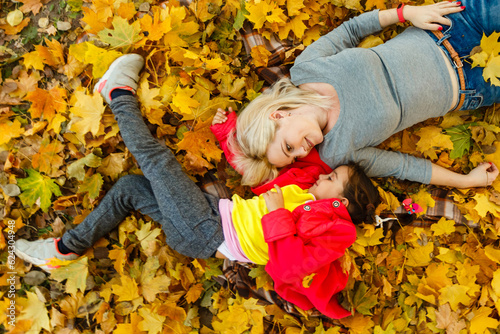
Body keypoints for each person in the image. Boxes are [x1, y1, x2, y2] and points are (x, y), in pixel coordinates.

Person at [15, 54, 382, 319]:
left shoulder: (333, 227)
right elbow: (258, 165)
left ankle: (118, 93)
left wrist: (276, 218)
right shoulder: (305, 187)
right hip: (208, 221)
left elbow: (287, 270)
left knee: (157, 161)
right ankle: (65, 250)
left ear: (343, 203)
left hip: (206, 231)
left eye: (332, 179)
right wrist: (227, 133)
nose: (323, 174)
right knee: (130, 187)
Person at [224, 0, 500, 188]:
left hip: (451, 25)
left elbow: (351, 30)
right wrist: (466, 181)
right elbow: (403, 167)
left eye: (288, 146)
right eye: (294, 157)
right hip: (475, 83)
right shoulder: (337, 153)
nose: (302, 151)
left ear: (279, 115)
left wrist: (407, 13)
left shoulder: (306, 69)